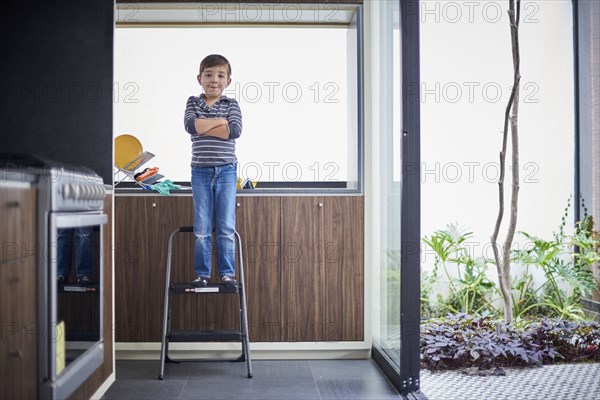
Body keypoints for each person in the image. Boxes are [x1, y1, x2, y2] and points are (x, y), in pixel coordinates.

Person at [183, 54, 242, 288]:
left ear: (228, 81)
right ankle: (202, 274)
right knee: (202, 227)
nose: (213, 80)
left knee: (226, 226)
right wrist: (220, 124)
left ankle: (227, 273)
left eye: (220, 76)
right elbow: (190, 126)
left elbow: (234, 130)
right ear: (199, 78)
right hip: (200, 171)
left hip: (227, 171)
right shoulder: (192, 102)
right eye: (208, 75)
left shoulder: (231, 105)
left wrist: (203, 126)